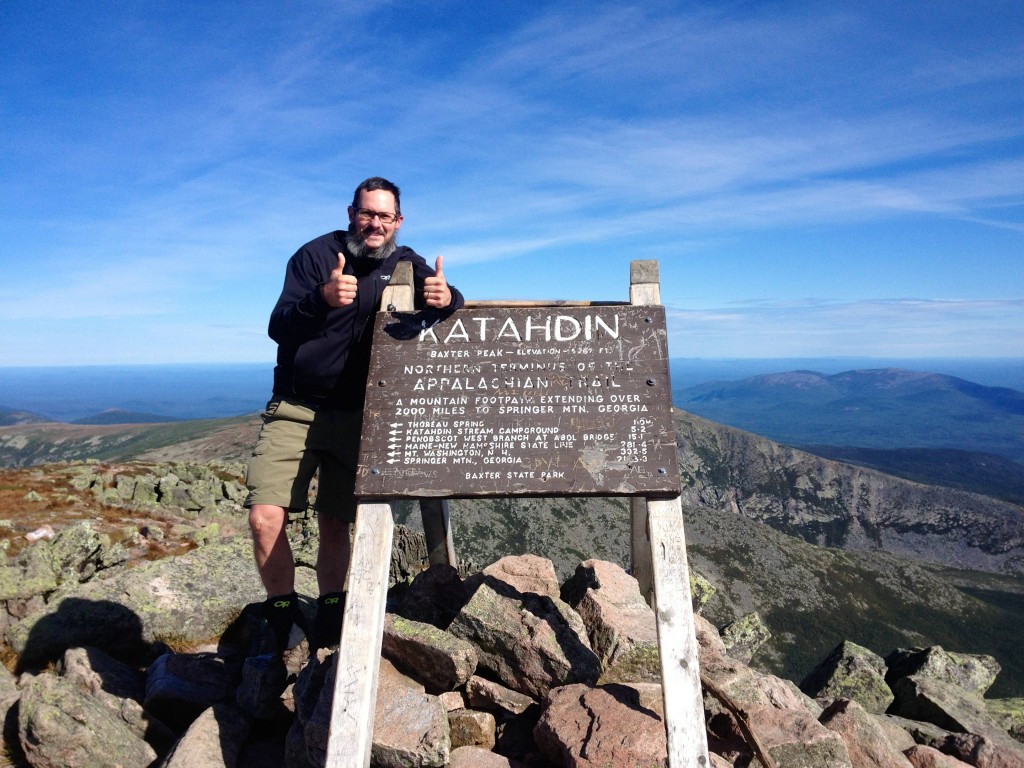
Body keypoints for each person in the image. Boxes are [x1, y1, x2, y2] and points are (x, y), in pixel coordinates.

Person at [244, 176, 463, 653]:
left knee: (334, 523)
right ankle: (281, 611)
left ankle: (329, 609)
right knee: (265, 516)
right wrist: (320, 299)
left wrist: (450, 300)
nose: (375, 223)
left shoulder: (406, 263)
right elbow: (278, 326)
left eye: (385, 216)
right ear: (351, 213)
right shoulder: (314, 257)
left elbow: (446, 296)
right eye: (367, 213)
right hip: (297, 409)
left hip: (361, 415)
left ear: (398, 221)